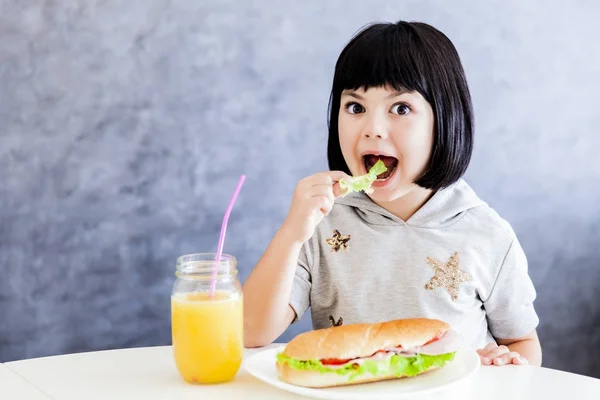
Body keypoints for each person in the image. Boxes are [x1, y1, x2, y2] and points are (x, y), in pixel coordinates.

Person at [243, 20, 542, 367]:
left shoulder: (487, 234)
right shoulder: (323, 222)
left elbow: (522, 340)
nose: (372, 129)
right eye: (355, 107)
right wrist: (291, 235)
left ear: (444, 120)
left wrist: (507, 365)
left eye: (400, 109)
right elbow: (251, 332)